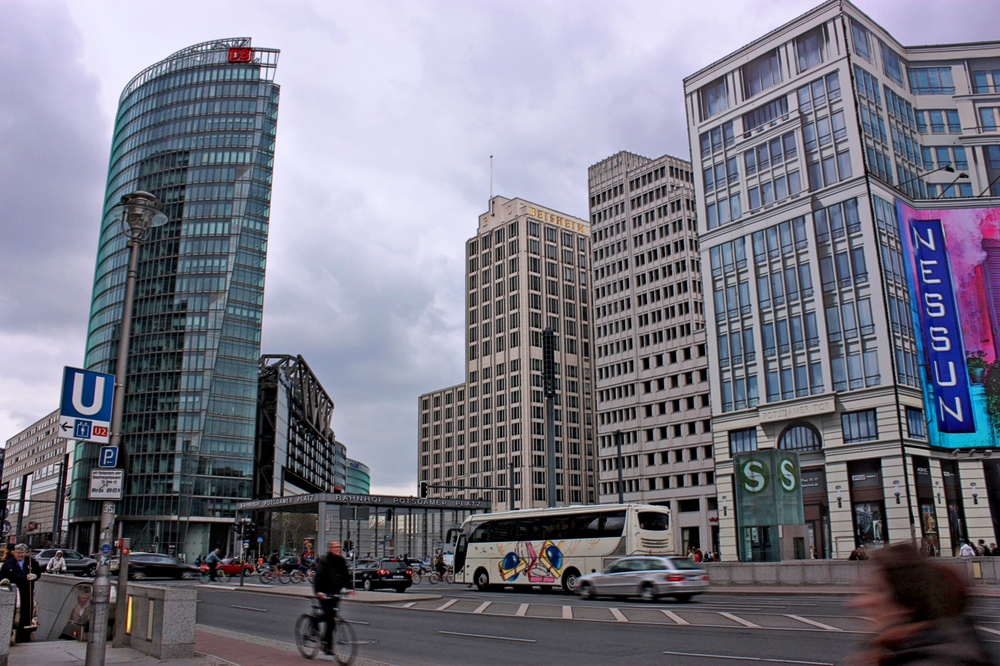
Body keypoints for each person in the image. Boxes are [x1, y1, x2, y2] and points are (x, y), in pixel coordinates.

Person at [847, 543, 991, 665]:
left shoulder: (935, 658)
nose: (857, 603)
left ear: (908, 604)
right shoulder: (945, 644)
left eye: (877, 590)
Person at [313, 540, 351, 656]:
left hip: (335, 593)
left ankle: (326, 643)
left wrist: (349, 588)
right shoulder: (325, 561)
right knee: (329, 617)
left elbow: (346, 575)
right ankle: (327, 644)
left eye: (338, 547)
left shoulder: (341, 561)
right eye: (335, 547)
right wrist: (319, 592)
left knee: (332, 620)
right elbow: (318, 577)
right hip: (324, 593)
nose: (337, 549)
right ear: (330, 549)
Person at [0, 543, 42, 642]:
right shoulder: (8, 563)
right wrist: (4, 580)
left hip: (27, 591)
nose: (20, 555)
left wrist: (35, 576)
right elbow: (1, 575)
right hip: (14, 592)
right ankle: (11, 634)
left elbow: (38, 572)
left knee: (26, 613)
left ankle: (24, 636)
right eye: (18, 552)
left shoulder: (31, 562)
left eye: (22, 552)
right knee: (13, 613)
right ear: (15, 552)